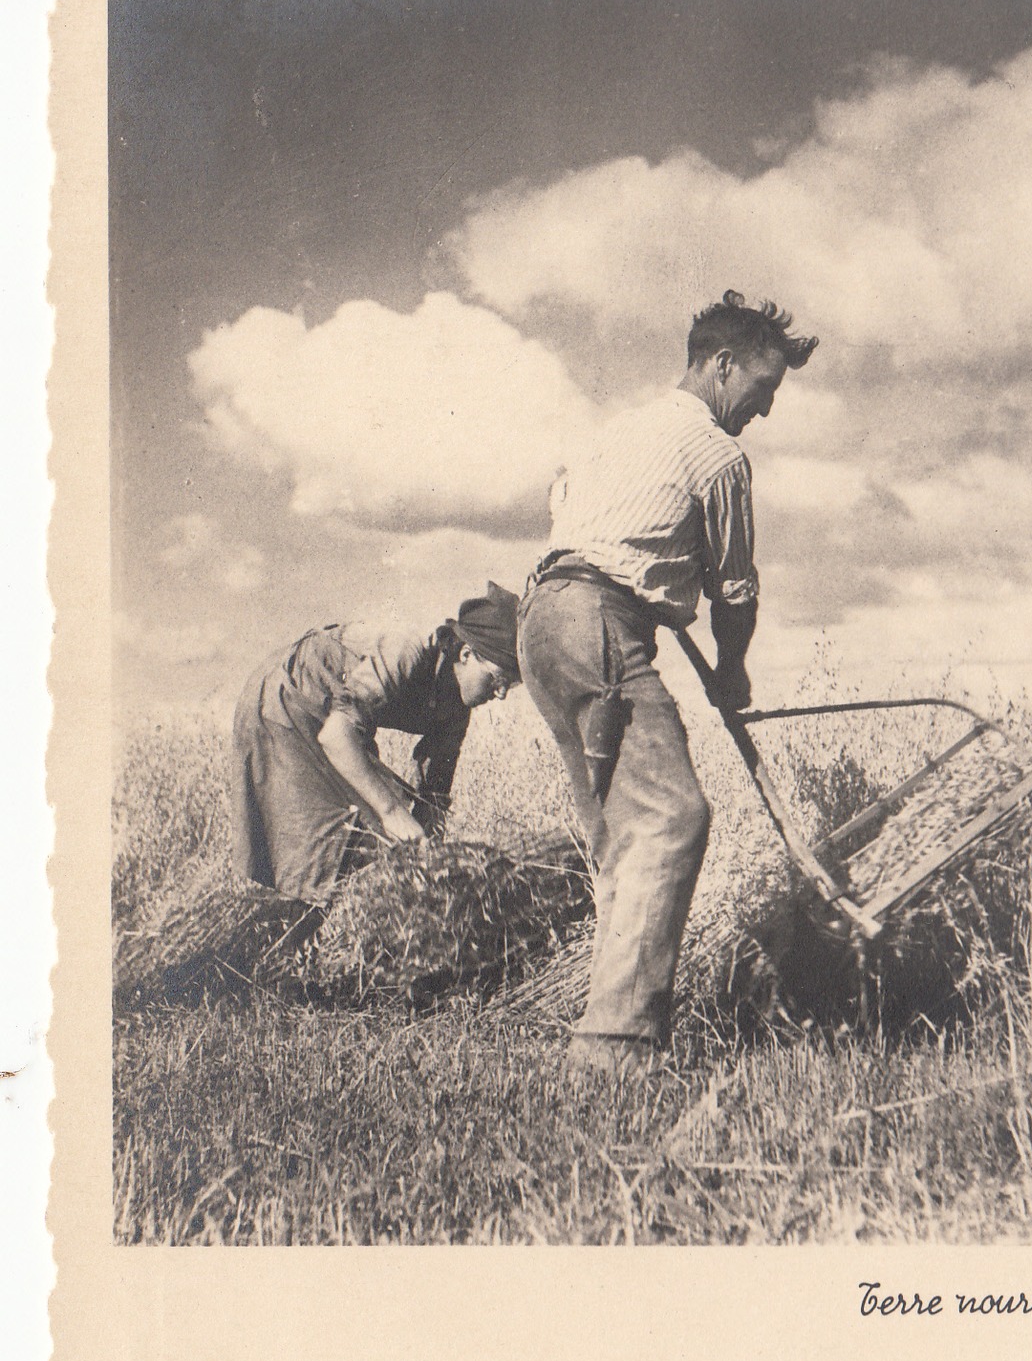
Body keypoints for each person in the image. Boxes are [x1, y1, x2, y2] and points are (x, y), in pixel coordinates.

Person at [517, 290, 818, 1081]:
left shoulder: (618, 430)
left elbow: (566, 507)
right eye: (763, 390)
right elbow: (735, 593)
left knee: (621, 832)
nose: (764, 410)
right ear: (722, 367)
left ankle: (599, 1041)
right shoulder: (717, 456)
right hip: (599, 619)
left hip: (541, 620)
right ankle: (616, 1051)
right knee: (673, 818)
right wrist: (732, 672)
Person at [232, 583, 521, 907]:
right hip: (288, 697)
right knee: (340, 842)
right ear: (466, 654)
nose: (501, 693)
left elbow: (434, 795)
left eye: (510, 684)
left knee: (382, 836)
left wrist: (432, 855)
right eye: (497, 678)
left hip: (325, 713)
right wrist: (394, 814)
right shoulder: (407, 652)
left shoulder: (458, 706)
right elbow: (337, 736)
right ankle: (304, 940)